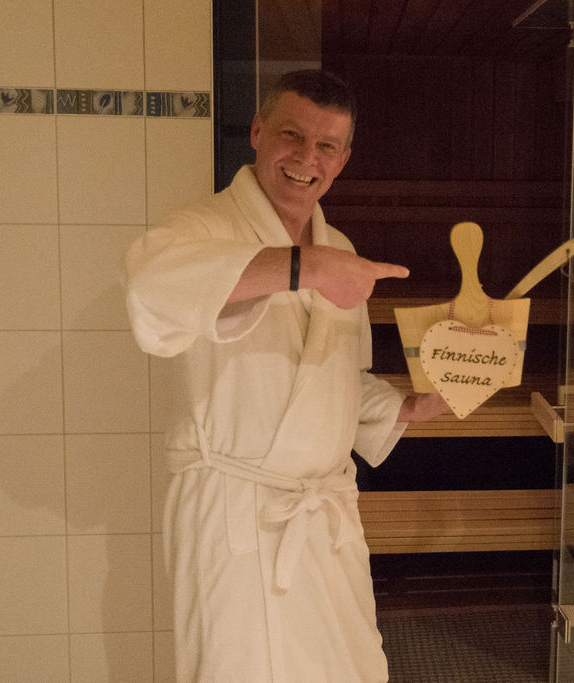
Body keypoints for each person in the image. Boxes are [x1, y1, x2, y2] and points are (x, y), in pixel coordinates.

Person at [124, 69, 447, 682]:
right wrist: (304, 267)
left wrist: (401, 408)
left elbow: (338, 378)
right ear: (256, 132)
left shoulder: (340, 246)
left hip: (321, 515)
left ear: (343, 160)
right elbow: (148, 287)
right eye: (291, 136)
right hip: (232, 511)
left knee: (343, 670)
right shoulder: (202, 228)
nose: (306, 158)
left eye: (326, 146)